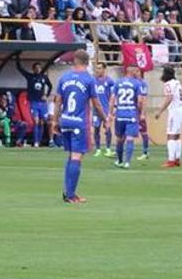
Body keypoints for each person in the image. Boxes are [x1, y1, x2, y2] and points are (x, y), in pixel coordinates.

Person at [51, 49, 106, 204]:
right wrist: (105, 119)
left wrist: (55, 121)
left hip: (65, 120)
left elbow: (58, 101)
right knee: (76, 157)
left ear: (74, 61)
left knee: (70, 156)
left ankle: (67, 191)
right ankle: (71, 195)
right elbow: (96, 103)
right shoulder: (89, 80)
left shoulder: (64, 78)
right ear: (87, 63)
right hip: (79, 123)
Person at [111, 64, 145, 169]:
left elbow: (112, 98)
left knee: (119, 139)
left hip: (120, 114)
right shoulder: (137, 83)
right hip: (131, 114)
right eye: (135, 71)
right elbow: (140, 101)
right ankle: (127, 163)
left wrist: (110, 112)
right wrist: (140, 112)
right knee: (130, 138)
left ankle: (119, 161)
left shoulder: (118, 82)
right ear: (131, 71)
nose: (137, 73)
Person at [154, 65, 182, 168]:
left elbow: (169, 98)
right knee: (177, 135)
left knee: (171, 135)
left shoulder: (168, 84)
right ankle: (177, 158)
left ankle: (171, 160)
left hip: (175, 111)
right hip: (181, 109)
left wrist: (160, 111)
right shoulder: (177, 82)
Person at [16, 57, 52, 147]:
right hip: (33, 102)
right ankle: (36, 142)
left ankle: (39, 141)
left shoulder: (44, 77)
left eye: (39, 68)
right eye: (36, 68)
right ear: (33, 69)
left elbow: (50, 86)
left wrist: (46, 95)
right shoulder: (30, 77)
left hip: (42, 103)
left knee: (42, 122)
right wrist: (17, 58)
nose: (37, 69)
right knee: (35, 121)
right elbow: (20, 69)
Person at [91, 61, 116, 157]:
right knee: (96, 128)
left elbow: (113, 96)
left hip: (105, 109)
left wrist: (113, 108)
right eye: (97, 68)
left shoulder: (109, 81)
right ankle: (98, 149)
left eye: (100, 68)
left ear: (104, 69)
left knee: (107, 128)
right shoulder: (93, 81)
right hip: (95, 110)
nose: (98, 70)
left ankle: (108, 149)